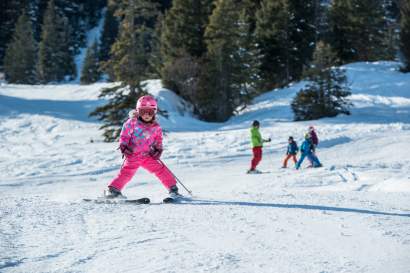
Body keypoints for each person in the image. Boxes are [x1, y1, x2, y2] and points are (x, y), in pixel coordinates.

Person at [104, 95, 180, 199]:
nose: (147, 115)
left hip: (147, 155)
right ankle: (113, 190)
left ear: (154, 112)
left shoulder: (156, 127)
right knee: (126, 173)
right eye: (143, 111)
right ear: (138, 111)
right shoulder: (132, 123)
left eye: (150, 112)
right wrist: (124, 146)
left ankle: (173, 189)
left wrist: (158, 149)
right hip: (133, 155)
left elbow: (158, 139)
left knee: (161, 170)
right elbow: (124, 135)